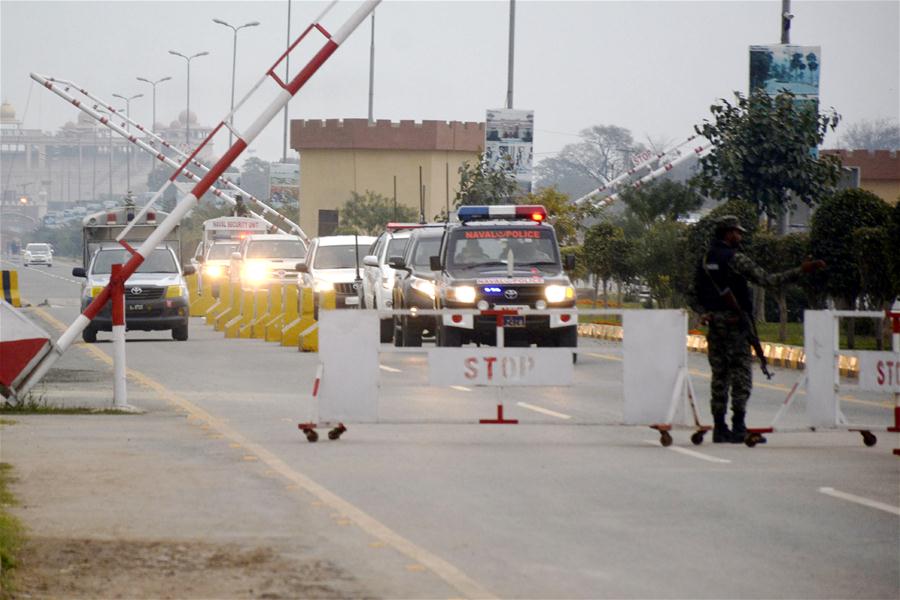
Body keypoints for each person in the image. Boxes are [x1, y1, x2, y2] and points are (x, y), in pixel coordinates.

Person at [692, 215, 825, 444]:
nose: (740, 236)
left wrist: (705, 312)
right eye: (737, 232)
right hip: (735, 325)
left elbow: (692, 292)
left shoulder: (705, 259)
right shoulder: (735, 259)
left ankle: (719, 427)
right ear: (728, 233)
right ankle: (738, 426)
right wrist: (801, 270)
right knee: (741, 376)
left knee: (720, 377)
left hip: (715, 325)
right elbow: (768, 280)